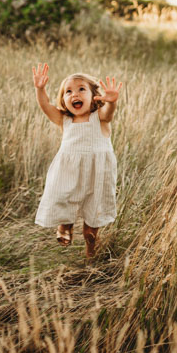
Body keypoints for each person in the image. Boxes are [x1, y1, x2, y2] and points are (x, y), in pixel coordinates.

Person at [31, 63, 122, 258]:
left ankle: (90, 250)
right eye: (68, 92)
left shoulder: (100, 118)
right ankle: (66, 223)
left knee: (92, 216)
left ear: (94, 96)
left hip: (97, 173)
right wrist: (40, 89)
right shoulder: (64, 119)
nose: (75, 95)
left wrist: (112, 102)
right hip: (69, 171)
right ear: (63, 100)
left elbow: (109, 112)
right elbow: (46, 106)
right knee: (64, 196)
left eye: (82, 89)